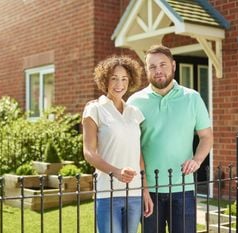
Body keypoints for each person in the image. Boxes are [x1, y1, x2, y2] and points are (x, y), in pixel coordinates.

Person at [127, 45, 214, 233]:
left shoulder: (192, 98)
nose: (158, 70)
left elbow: (206, 136)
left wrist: (197, 160)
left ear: (173, 65)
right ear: (146, 69)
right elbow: (130, 145)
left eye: (163, 65)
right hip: (149, 189)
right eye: (152, 66)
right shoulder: (134, 102)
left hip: (183, 187)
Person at [82, 55, 153, 233]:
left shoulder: (134, 112)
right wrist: (116, 172)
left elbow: (138, 154)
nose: (119, 84)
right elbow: (89, 152)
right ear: (105, 80)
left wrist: (145, 190)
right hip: (108, 192)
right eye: (114, 78)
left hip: (134, 192)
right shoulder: (95, 109)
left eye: (124, 79)